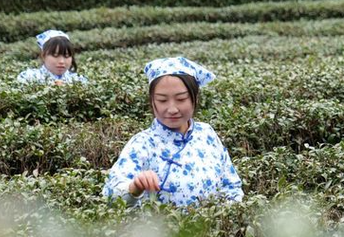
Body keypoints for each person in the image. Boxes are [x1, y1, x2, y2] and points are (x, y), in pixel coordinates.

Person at [103, 57, 244, 207]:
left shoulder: (207, 134)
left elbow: (231, 186)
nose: (172, 109)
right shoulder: (141, 144)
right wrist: (134, 188)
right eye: (162, 100)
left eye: (181, 99)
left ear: (195, 98)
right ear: (152, 101)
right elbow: (111, 197)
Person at [17, 30, 88, 85]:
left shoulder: (79, 81)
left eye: (66, 56)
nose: (62, 61)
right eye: (55, 55)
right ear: (43, 55)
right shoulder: (28, 78)